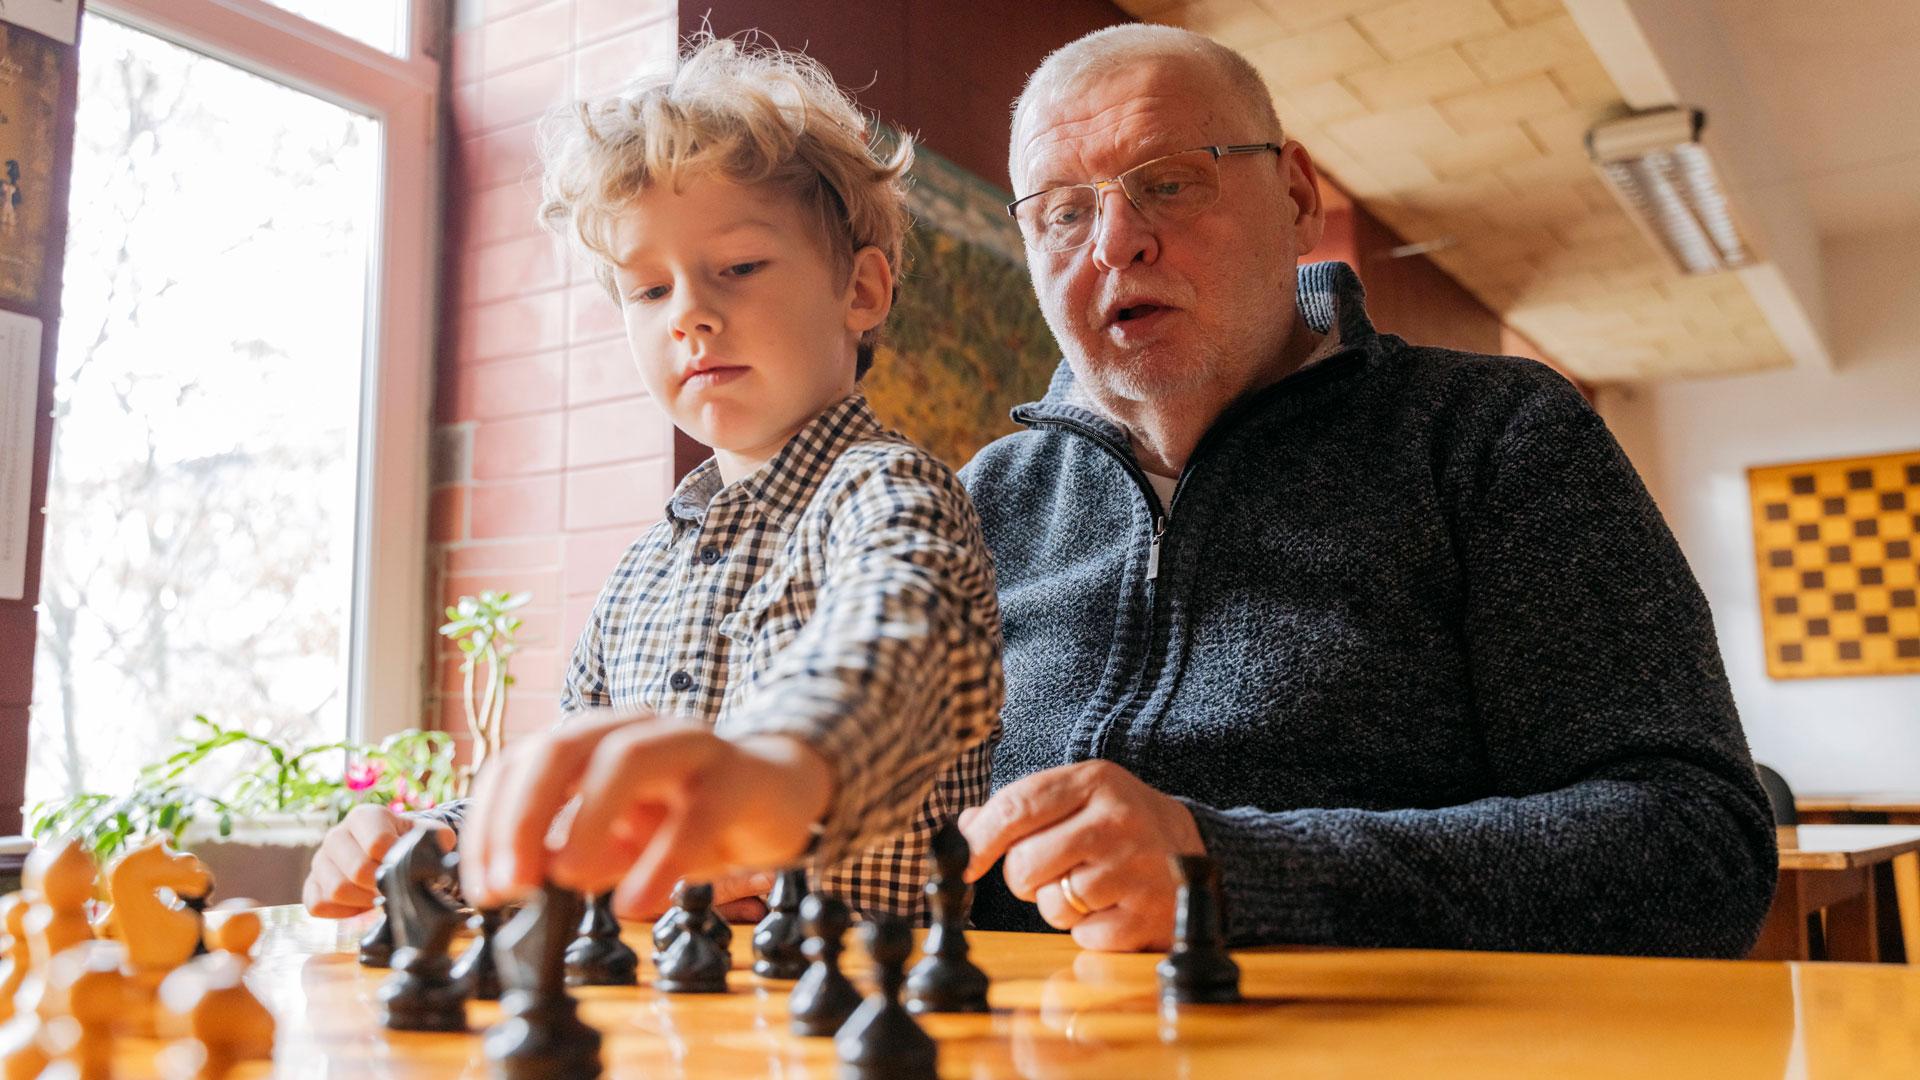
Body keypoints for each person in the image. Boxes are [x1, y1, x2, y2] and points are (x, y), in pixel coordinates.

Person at [953, 24, 1777, 957]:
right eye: (1063, 211)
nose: (1116, 243)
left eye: (1169, 182)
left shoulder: (1492, 434)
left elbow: (1695, 850)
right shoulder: (983, 503)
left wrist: (1233, 874)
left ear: (1297, 198)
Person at [301, 35, 1002, 924]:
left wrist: (775, 770)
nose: (692, 316)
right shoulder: (639, 577)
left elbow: (908, 645)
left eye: (739, 268)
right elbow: (573, 804)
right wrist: (427, 845)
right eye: (647, 290)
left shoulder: (891, 493)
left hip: (849, 1033)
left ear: (861, 291)